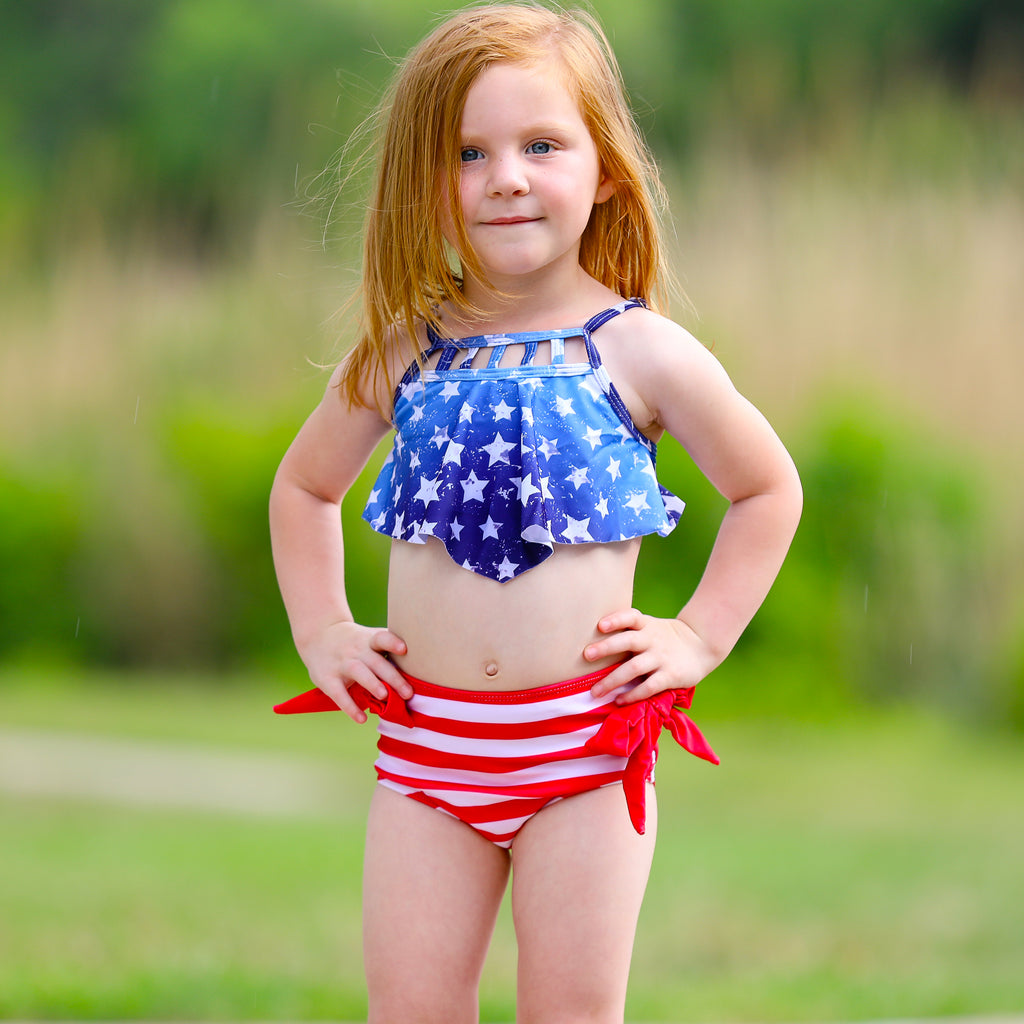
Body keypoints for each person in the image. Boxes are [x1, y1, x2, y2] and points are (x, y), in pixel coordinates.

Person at [269, 3, 802, 1022]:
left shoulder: (640, 350)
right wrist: (321, 627)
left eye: (541, 144)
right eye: (467, 152)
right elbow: (303, 488)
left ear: (604, 168)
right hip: (427, 757)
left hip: (585, 758)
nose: (504, 175)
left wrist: (698, 634)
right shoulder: (403, 350)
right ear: (425, 181)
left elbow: (766, 488)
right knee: (411, 1010)